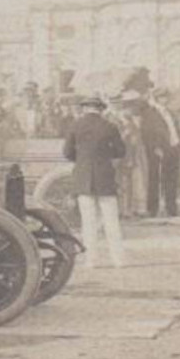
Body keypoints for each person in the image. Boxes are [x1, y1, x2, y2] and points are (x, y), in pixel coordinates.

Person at [64, 94, 128, 269]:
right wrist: (105, 155)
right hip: (105, 177)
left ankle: (91, 261)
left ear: (85, 108)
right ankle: (118, 260)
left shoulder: (75, 125)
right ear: (100, 109)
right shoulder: (110, 126)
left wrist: (83, 158)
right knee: (111, 220)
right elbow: (121, 151)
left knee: (88, 221)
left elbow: (67, 153)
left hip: (83, 177)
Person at [139, 86, 180, 217]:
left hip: (173, 148)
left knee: (172, 179)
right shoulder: (149, 113)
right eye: (162, 97)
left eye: (166, 97)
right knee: (155, 178)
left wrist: (178, 145)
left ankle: (171, 208)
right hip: (158, 150)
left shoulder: (170, 113)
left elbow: (175, 129)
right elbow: (147, 133)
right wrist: (155, 147)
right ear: (156, 98)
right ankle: (153, 208)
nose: (165, 99)